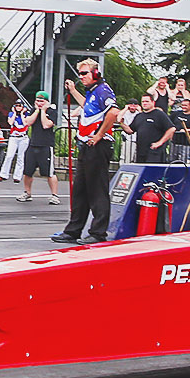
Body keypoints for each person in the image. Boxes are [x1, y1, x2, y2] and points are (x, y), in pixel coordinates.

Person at [50, 58, 119, 245]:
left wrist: (98, 135)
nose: (81, 77)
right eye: (80, 74)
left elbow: (113, 112)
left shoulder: (103, 90)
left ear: (96, 73)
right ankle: (73, 230)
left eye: (85, 73)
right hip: (86, 146)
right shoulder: (93, 92)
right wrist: (73, 91)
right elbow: (86, 105)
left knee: (97, 190)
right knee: (80, 189)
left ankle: (98, 233)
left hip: (98, 145)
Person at [16, 91, 62, 205]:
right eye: (38, 101)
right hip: (33, 144)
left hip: (46, 145)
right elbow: (28, 122)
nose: (39, 103)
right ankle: (27, 193)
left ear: (47, 102)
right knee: (28, 171)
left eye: (42, 101)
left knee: (49, 172)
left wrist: (43, 111)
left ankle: (54, 195)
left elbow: (46, 125)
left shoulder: (52, 112)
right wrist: (37, 110)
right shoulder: (33, 110)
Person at [132, 94, 175, 163]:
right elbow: (130, 130)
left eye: (147, 101)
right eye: (143, 102)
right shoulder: (139, 116)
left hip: (155, 152)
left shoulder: (159, 114)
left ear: (153, 102)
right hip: (141, 152)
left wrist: (160, 142)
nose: (144, 103)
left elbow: (171, 129)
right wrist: (121, 123)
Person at [0, 101, 30, 182]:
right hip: (14, 137)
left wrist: (22, 113)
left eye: (20, 106)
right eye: (17, 105)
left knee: (21, 157)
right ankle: (3, 175)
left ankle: (17, 176)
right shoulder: (11, 114)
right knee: (9, 156)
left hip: (23, 137)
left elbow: (26, 123)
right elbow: (10, 122)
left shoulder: (27, 114)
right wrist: (15, 113)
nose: (18, 107)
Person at [169, 98, 190, 164]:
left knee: (182, 162)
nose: (183, 107)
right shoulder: (176, 114)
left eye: (185, 105)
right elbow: (168, 122)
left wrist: (185, 130)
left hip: (185, 144)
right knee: (171, 161)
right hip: (174, 143)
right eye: (182, 105)